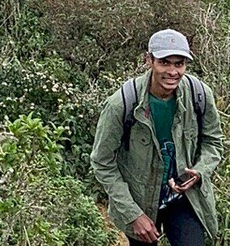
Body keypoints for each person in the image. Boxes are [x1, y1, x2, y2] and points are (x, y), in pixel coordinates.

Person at [90, 29, 223, 245]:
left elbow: (213, 142)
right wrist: (133, 215)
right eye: (164, 62)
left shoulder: (199, 95)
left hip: (184, 198)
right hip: (139, 200)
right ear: (149, 60)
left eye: (179, 64)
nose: (172, 71)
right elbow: (102, 162)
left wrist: (199, 171)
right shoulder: (122, 104)